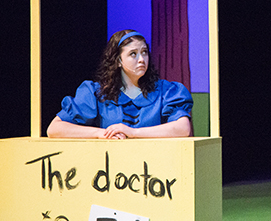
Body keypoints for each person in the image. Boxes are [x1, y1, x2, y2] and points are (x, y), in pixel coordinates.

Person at [47, 29, 193, 139]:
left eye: (144, 52)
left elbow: (183, 129)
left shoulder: (165, 91)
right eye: (133, 54)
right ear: (118, 61)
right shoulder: (96, 93)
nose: (141, 59)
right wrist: (101, 133)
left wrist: (133, 132)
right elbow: (54, 129)